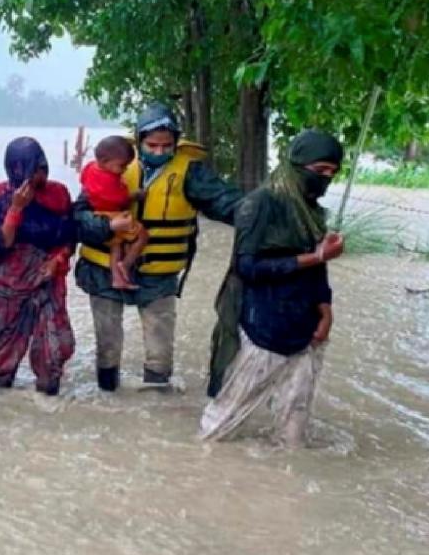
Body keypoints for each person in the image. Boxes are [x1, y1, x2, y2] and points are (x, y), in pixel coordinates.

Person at [75, 103, 241, 392]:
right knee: (107, 345)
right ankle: (107, 394)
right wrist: (107, 227)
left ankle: (157, 401)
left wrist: (264, 213)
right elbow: (78, 217)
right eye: (152, 145)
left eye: (167, 146)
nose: (159, 151)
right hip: (103, 271)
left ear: (176, 142)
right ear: (139, 141)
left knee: (160, 351)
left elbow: (225, 202)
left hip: (159, 274)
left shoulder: (192, 172)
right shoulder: (113, 161)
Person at [200, 130, 345, 447]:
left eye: (333, 173)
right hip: (261, 325)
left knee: (295, 425)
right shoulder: (259, 204)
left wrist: (326, 311)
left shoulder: (312, 211)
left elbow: (318, 271)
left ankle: (288, 472)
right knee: (221, 425)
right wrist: (315, 256)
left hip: (306, 325)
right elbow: (248, 268)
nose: (325, 179)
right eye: (320, 170)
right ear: (297, 165)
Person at [0, 137, 76, 395]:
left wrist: (57, 260)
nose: (40, 176)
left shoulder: (58, 193)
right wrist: (16, 208)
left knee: (54, 351)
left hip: (48, 278)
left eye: (43, 168)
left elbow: (69, 237)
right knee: (3, 356)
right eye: (34, 170)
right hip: (10, 283)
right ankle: (3, 407)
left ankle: (47, 404)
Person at [79, 136, 150, 290]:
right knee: (143, 236)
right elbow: (120, 200)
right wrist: (135, 195)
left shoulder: (90, 167)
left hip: (98, 215)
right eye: (122, 166)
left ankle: (117, 279)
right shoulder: (109, 180)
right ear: (105, 161)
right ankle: (126, 264)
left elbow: (83, 180)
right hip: (112, 216)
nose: (125, 170)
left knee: (115, 247)